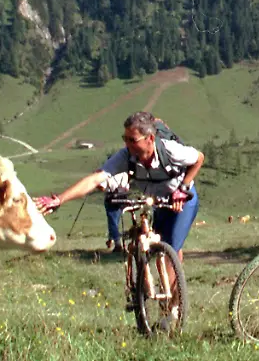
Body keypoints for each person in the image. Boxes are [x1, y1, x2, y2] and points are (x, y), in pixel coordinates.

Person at [34, 111, 204, 321]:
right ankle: (162, 299)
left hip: (182, 199)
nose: (128, 145)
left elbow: (199, 158)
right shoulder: (126, 156)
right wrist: (59, 199)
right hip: (159, 201)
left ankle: (170, 309)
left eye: (132, 140)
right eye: (125, 139)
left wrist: (184, 187)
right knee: (163, 248)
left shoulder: (170, 150)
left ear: (150, 139)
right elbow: (95, 179)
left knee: (170, 248)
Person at [98, 171, 128, 253]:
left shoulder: (107, 172)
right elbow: (126, 186)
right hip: (122, 198)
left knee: (112, 221)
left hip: (111, 198)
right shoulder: (124, 172)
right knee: (116, 220)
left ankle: (117, 243)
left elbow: (102, 187)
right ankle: (110, 239)